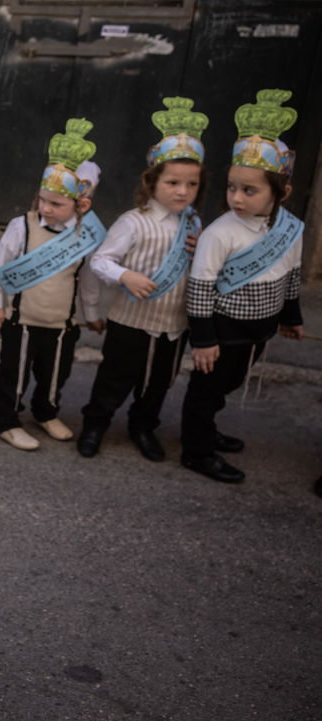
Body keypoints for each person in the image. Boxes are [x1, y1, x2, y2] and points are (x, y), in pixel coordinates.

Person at [179, 90, 305, 483]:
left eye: (249, 190)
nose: (236, 197)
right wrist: (203, 339)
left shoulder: (290, 228)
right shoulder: (220, 232)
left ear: (281, 193)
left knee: (228, 384)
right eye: (232, 187)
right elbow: (200, 287)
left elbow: (291, 272)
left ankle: (206, 432)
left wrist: (291, 317)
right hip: (223, 329)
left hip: (259, 328)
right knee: (207, 391)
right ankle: (197, 451)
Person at [80, 98, 207, 459]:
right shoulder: (133, 221)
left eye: (192, 184)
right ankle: (95, 424)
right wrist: (126, 276)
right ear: (151, 182)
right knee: (114, 378)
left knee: (158, 383)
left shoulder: (194, 223)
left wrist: (201, 251)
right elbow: (100, 261)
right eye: (173, 182)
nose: (182, 191)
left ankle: (143, 426)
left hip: (173, 323)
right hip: (131, 321)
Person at [0, 120, 106, 451]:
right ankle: (6, 421)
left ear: (81, 206)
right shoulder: (22, 226)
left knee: (56, 374)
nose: (46, 208)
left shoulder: (83, 236)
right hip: (22, 320)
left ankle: (46, 412)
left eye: (56, 204)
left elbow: (88, 279)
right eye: (43, 200)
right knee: (13, 374)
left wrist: (91, 314)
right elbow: (0, 266)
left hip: (62, 324)